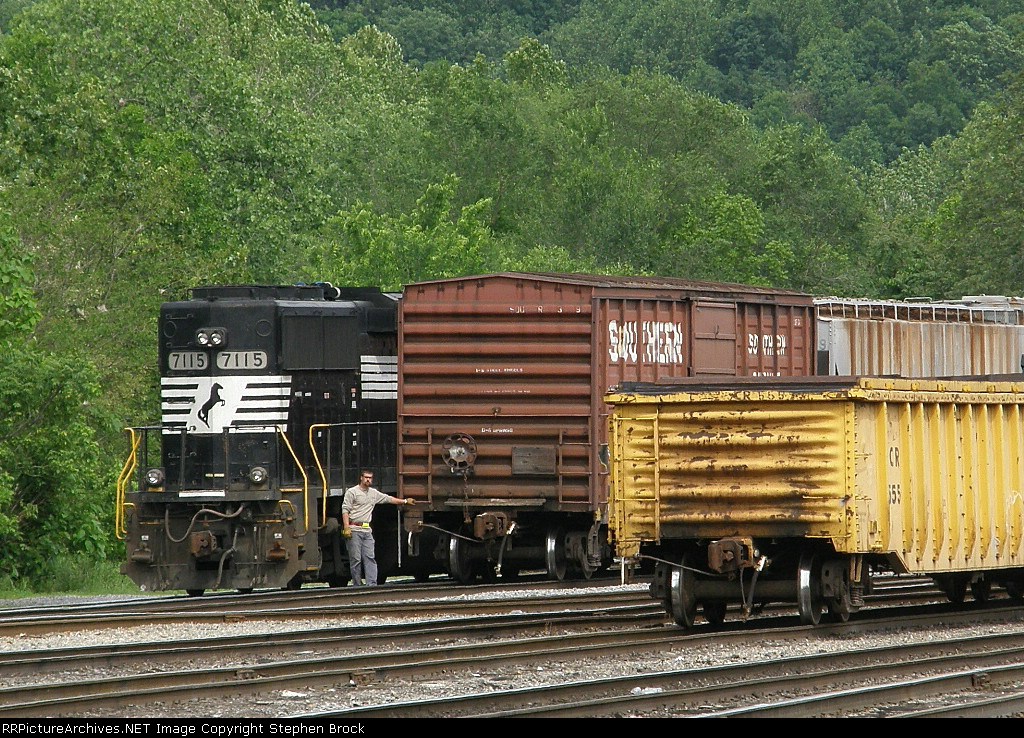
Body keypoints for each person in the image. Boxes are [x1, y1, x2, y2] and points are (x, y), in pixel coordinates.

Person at [341, 470, 415, 586]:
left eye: (370, 478)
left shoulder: (373, 493)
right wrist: (346, 527)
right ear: (361, 478)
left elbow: (388, 499)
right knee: (356, 559)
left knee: (370, 557)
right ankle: (357, 584)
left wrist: (404, 501)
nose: (368, 480)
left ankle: (372, 584)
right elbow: (345, 510)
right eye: (366, 477)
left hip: (367, 531)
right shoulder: (352, 492)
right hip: (354, 529)